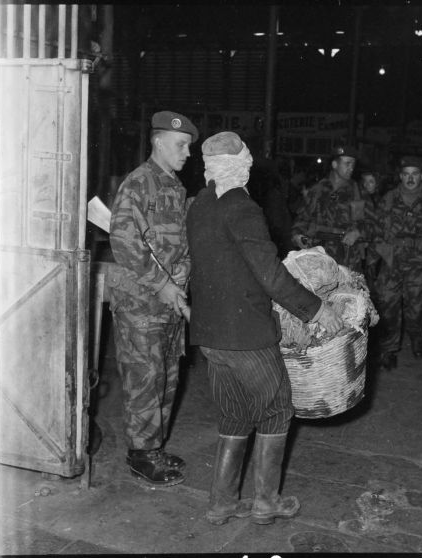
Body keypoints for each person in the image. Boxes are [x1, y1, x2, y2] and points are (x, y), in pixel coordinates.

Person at [186, 131, 343, 526]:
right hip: (247, 336)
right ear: (242, 164)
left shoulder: (200, 205)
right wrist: (315, 309)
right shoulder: (242, 207)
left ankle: (222, 504)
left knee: (235, 416)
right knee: (276, 410)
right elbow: (271, 276)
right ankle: (266, 503)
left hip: (210, 335)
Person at [108, 111, 197, 486]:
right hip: (141, 304)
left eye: (189, 146)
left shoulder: (174, 187)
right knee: (145, 378)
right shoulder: (138, 184)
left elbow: (182, 243)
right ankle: (140, 454)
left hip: (168, 303)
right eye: (182, 145)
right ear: (159, 141)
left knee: (166, 378)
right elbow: (123, 242)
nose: (188, 153)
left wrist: (183, 277)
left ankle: (153, 447)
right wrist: (163, 285)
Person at [366, 156, 422, 370]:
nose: (410, 178)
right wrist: (372, 261)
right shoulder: (388, 199)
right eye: (406, 174)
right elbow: (377, 230)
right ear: (401, 176)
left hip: (420, 265)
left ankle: (417, 336)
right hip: (391, 263)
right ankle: (389, 349)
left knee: (418, 309)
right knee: (387, 307)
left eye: (415, 174)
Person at [290, 145, 367, 272]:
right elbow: (302, 219)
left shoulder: (357, 192)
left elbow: (370, 223)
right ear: (335, 165)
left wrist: (357, 232)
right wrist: (297, 236)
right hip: (318, 256)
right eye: (347, 163)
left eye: (353, 164)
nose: (351, 168)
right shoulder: (317, 190)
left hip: (346, 258)